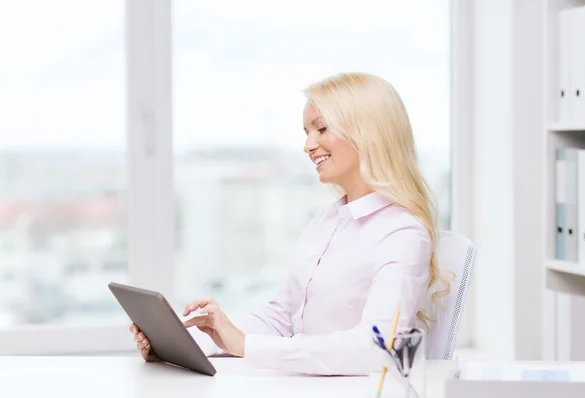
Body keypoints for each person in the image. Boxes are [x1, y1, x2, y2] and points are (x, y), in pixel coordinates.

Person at [129, 72, 452, 376]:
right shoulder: (329, 220)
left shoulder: (402, 232)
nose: (308, 145)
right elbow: (282, 317)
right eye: (306, 132)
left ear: (369, 132)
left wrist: (244, 345)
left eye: (321, 128)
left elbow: (376, 348)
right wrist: (189, 344)